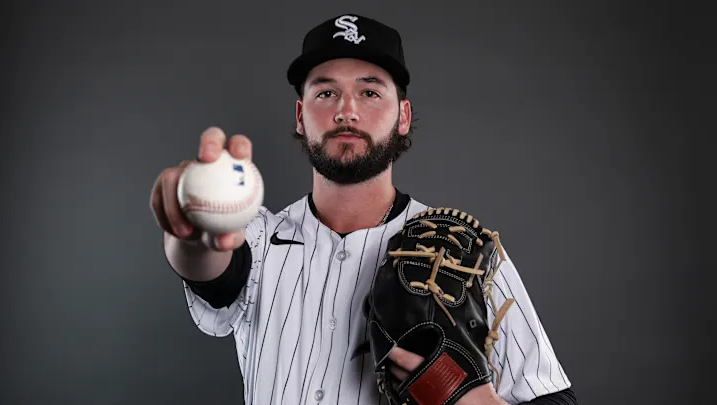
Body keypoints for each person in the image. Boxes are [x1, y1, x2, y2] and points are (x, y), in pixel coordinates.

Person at [150, 13, 577, 405]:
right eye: (326, 92)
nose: (346, 111)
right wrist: (189, 225)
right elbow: (211, 267)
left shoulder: (463, 254)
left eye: (370, 92)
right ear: (300, 115)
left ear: (403, 116)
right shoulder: (259, 238)